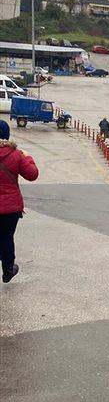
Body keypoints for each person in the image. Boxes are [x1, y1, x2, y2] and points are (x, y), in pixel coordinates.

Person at [0, 119, 39, 284]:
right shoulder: (16, 154)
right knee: (7, 238)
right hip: (10, 209)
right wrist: (28, 157)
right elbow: (32, 174)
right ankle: (8, 270)